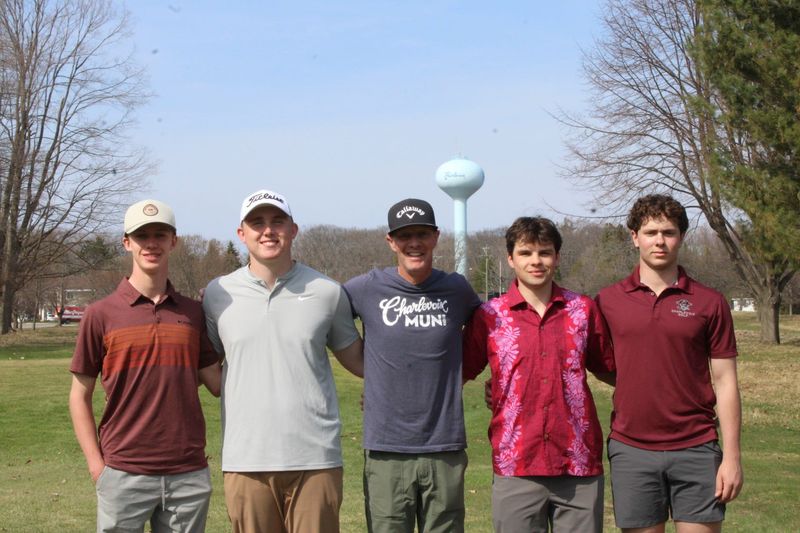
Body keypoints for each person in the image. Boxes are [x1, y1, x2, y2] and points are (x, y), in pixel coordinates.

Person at [202, 189, 363, 533]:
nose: (268, 230)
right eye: (257, 222)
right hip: (245, 461)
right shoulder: (218, 293)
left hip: (316, 460)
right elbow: (207, 365)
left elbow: (359, 360)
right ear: (241, 234)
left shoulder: (327, 291)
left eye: (278, 221)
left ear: (294, 230)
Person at [69, 199, 221, 533]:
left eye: (160, 234)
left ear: (173, 242)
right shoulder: (100, 314)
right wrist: (97, 466)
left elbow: (217, 383)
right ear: (127, 243)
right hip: (123, 471)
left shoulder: (193, 312)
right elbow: (79, 396)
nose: (151, 243)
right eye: (141, 236)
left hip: (187, 474)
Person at [596, 194, 743, 532]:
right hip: (631, 449)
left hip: (697, 446)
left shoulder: (710, 302)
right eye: (650, 232)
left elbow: (725, 381)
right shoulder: (607, 301)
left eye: (668, 232)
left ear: (682, 237)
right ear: (634, 237)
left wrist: (732, 457)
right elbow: (594, 362)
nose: (659, 241)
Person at [463, 216, 615, 532]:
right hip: (516, 462)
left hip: (578, 461)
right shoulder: (490, 316)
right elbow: (458, 373)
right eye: (526, 253)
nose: (536, 261)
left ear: (557, 257)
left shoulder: (583, 310)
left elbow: (611, 369)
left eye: (544, 252)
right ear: (510, 258)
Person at [343, 198, 481, 533]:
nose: (414, 243)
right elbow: (327, 326)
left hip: (443, 446)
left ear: (436, 237)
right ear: (391, 241)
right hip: (387, 448)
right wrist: (372, 375)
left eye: (421, 233)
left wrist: (464, 377)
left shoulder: (457, 289)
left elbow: (487, 336)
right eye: (405, 235)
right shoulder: (365, 288)